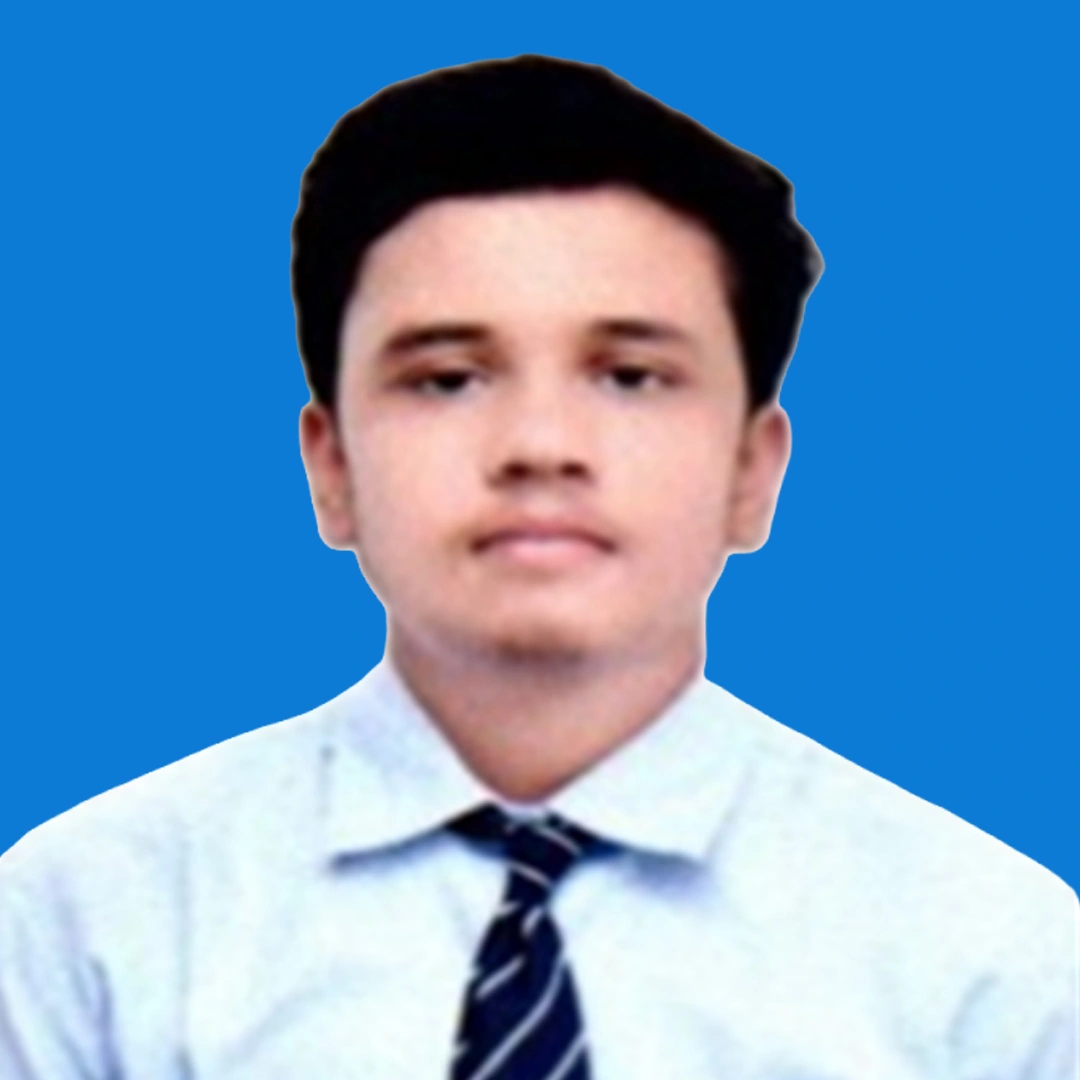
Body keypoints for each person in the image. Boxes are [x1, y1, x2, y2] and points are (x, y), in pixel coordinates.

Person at [0, 54, 1075, 1080]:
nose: (541, 445)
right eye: (449, 379)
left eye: (631, 376)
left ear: (753, 471)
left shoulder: (988, 957)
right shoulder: (87, 924)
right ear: (330, 468)